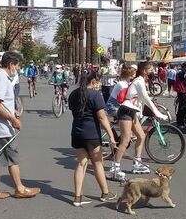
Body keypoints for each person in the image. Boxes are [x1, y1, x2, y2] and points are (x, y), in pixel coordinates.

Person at [0, 51, 40, 201]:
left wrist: (12, 111)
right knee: (12, 158)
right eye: (18, 65)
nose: (19, 68)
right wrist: (12, 119)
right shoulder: (2, 79)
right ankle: (19, 188)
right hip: (1, 127)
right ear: (11, 64)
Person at [107, 61, 169, 180]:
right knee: (125, 141)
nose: (153, 72)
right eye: (151, 70)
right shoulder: (139, 81)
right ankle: (114, 168)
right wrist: (158, 113)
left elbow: (143, 99)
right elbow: (146, 100)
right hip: (125, 111)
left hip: (132, 111)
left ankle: (137, 163)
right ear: (145, 71)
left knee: (141, 136)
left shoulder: (140, 81)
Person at [68, 70, 118, 206]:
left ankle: (77, 197)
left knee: (80, 163)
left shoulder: (73, 94)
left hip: (77, 132)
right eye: (98, 81)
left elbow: (73, 111)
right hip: (91, 134)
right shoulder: (95, 95)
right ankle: (105, 193)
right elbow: (102, 117)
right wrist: (111, 136)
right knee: (97, 163)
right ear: (94, 81)